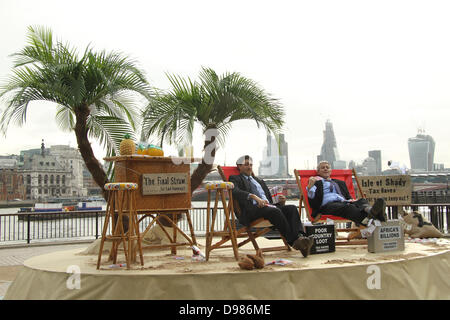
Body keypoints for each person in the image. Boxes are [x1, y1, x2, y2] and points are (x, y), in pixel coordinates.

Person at [229, 155, 314, 257]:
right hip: (251, 210)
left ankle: (300, 238)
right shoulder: (235, 178)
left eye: (251, 165)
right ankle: (294, 242)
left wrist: (280, 202)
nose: (249, 167)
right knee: (274, 211)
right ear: (239, 166)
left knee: (291, 208)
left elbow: (269, 200)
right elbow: (235, 191)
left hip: (268, 208)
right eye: (246, 164)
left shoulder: (259, 181)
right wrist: (253, 196)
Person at [307, 161, 387, 225]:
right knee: (348, 208)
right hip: (327, 206)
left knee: (362, 201)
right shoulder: (315, 182)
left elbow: (348, 197)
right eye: (322, 168)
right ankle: (374, 217)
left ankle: (370, 211)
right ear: (318, 171)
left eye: (327, 167)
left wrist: (353, 201)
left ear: (331, 171)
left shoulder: (340, 183)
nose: (325, 169)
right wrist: (310, 186)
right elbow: (312, 198)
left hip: (343, 202)